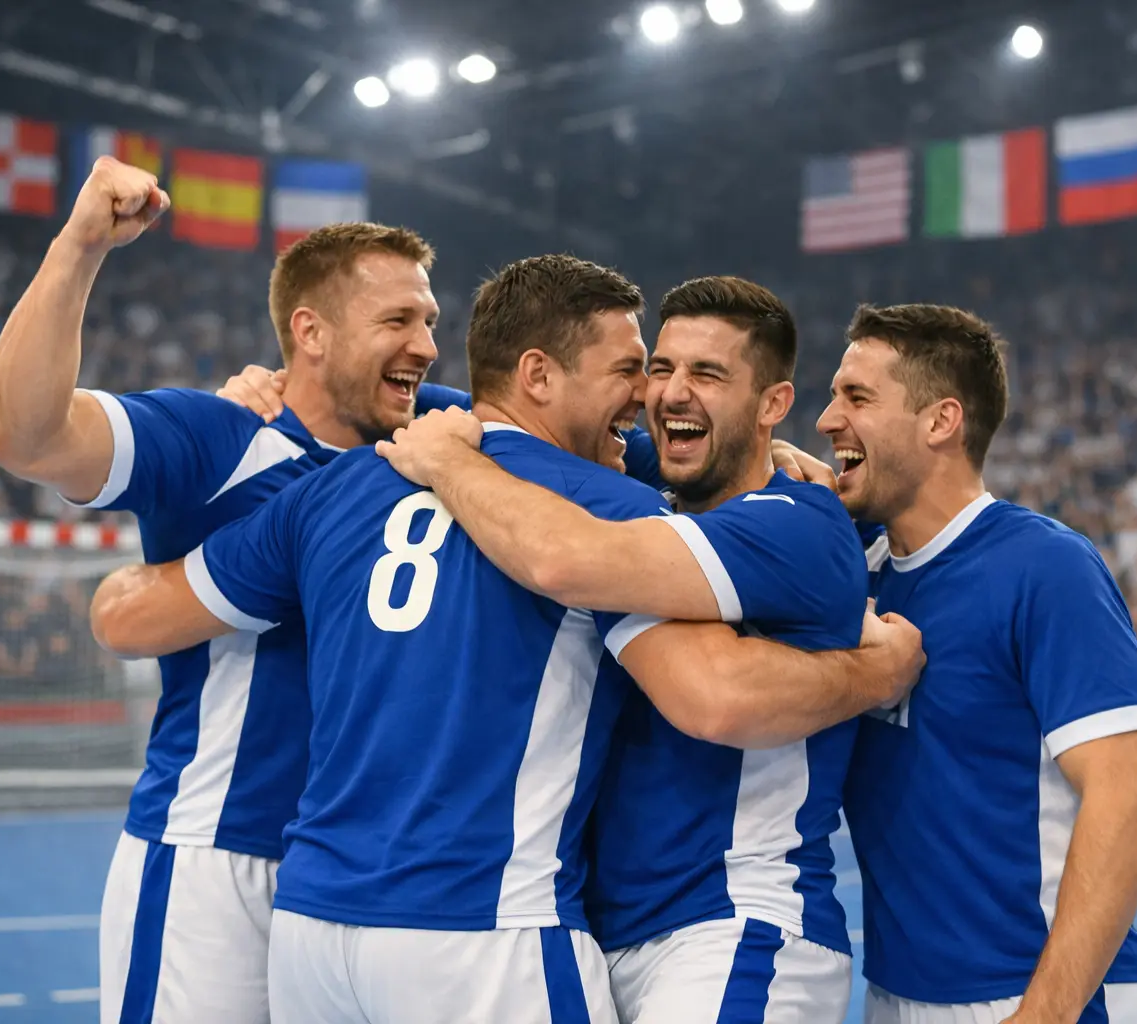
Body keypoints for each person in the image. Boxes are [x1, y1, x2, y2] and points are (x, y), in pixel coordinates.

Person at [88, 256, 922, 1023]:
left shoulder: (341, 483)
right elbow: (704, 688)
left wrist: (314, 404)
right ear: (539, 375)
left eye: (692, 374)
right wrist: (873, 673)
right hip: (484, 920)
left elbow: (124, 618)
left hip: (311, 930)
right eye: (638, 370)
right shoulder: (606, 511)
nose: (647, 398)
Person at [0, 155, 443, 1023]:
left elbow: (569, 417)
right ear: (310, 332)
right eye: (398, 319)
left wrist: (763, 463)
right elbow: (19, 432)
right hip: (213, 864)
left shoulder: (429, 441)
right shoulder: (220, 436)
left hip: (361, 879)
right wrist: (82, 245)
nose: (425, 343)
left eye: (429, 320)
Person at [376, 276, 905, 1023]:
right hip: (602, 934)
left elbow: (579, 570)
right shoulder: (642, 491)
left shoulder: (796, 524)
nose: (671, 393)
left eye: (709, 375)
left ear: (772, 405)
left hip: (732, 929)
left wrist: (452, 463)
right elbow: (506, 411)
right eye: (660, 369)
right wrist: (278, 388)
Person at [816, 303, 1137, 1024]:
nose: (826, 419)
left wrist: (1046, 1013)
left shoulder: (1046, 567)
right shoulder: (854, 574)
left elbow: (1128, 806)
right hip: (894, 994)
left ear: (941, 421)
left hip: (1042, 996)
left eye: (856, 396)